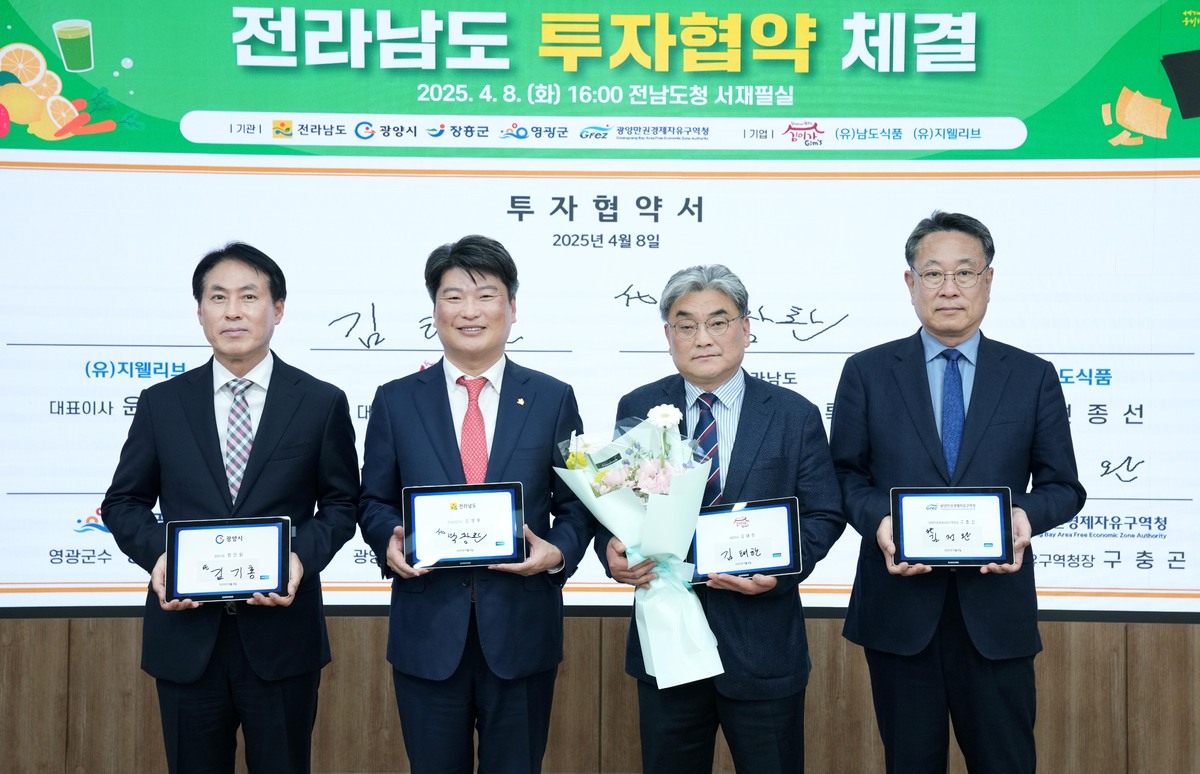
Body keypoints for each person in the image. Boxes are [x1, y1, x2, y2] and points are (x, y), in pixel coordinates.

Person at [830, 211, 1087, 773]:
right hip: (899, 614)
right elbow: (844, 476)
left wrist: (1022, 517)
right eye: (933, 273)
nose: (949, 288)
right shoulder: (867, 372)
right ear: (911, 283)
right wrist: (881, 523)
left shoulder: (1031, 375)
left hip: (996, 615)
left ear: (988, 281)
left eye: (965, 273)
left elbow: (1064, 487)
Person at [101, 242, 360, 773]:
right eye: (218, 298)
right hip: (186, 638)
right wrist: (160, 558)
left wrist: (300, 558)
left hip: (282, 637)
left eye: (249, 296)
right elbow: (123, 502)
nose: (233, 311)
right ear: (200, 312)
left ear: (277, 309)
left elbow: (341, 503)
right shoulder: (162, 403)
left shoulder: (319, 402)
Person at [357, 235, 593, 774]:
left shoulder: (552, 397)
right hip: (427, 633)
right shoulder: (396, 399)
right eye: (454, 296)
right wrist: (387, 537)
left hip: (521, 631)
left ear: (512, 308)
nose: (470, 311)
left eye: (486, 296)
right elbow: (372, 499)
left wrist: (556, 552)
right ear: (434, 309)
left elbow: (577, 505)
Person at [599, 264, 846, 774]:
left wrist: (780, 569)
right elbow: (616, 500)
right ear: (668, 335)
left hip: (762, 645)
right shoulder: (639, 406)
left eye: (718, 321)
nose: (703, 338)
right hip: (668, 643)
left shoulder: (792, 414)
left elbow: (824, 512)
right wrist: (612, 547)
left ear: (746, 328)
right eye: (686, 325)